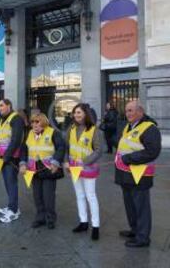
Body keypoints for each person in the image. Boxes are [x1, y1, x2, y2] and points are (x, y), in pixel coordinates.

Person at [115, 100, 161, 248]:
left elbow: (152, 152)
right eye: (127, 110)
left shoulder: (149, 128)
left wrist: (128, 158)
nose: (128, 113)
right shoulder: (129, 126)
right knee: (130, 206)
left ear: (140, 112)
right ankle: (134, 230)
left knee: (141, 208)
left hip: (140, 175)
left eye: (131, 110)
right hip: (126, 175)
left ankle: (143, 238)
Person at [20, 113, 65, 229]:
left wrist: (55, 162)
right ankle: (40, 217)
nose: (34, 124)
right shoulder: (29, 133)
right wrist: (23, 163)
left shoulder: (53, 132)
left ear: (43, 122)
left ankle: (50, 218)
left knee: (48, 196)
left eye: (37, 122)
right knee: (37, 196)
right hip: (34, 169)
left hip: (49, 169)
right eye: (33, 122)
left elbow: (61, 147)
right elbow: (24, 150)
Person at [65, 103, 103, 240]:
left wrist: (85, 161)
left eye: (79, 112)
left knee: (90, 196)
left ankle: (96, 226)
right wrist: (66, 161)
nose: (76, 115)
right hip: (74, 168)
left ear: (86, 114)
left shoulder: (94, 130)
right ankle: (83, 222)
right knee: (79, 195)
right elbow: (67, 146)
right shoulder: (71, 128)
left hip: (88, 169)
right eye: (75, 113)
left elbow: (99, 150)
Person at [0, 99, 25, 223]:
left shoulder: (16, 119)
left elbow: (16, 140)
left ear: (9, 105)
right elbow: (1, 138)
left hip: (11, 158)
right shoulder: (3, 119)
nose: (0, 108)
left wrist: (7, 156)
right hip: (3, 157)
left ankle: (13, 211)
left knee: (11, 183)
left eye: (2, 105)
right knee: (7, 183)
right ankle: (12, 206)